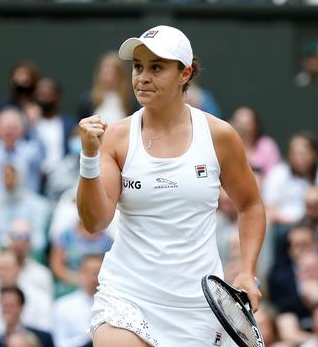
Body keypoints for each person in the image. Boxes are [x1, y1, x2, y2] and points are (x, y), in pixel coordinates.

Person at [77, 25, 265, 346]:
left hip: (198, 307)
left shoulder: (219, 135)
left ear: (184, 73)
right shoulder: (116, 137)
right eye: (137, 67)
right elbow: (95, 222)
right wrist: (89, 157)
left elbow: (250, 206)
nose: (142, 77)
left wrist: (246, 270)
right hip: (127, 295)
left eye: (156, 68)